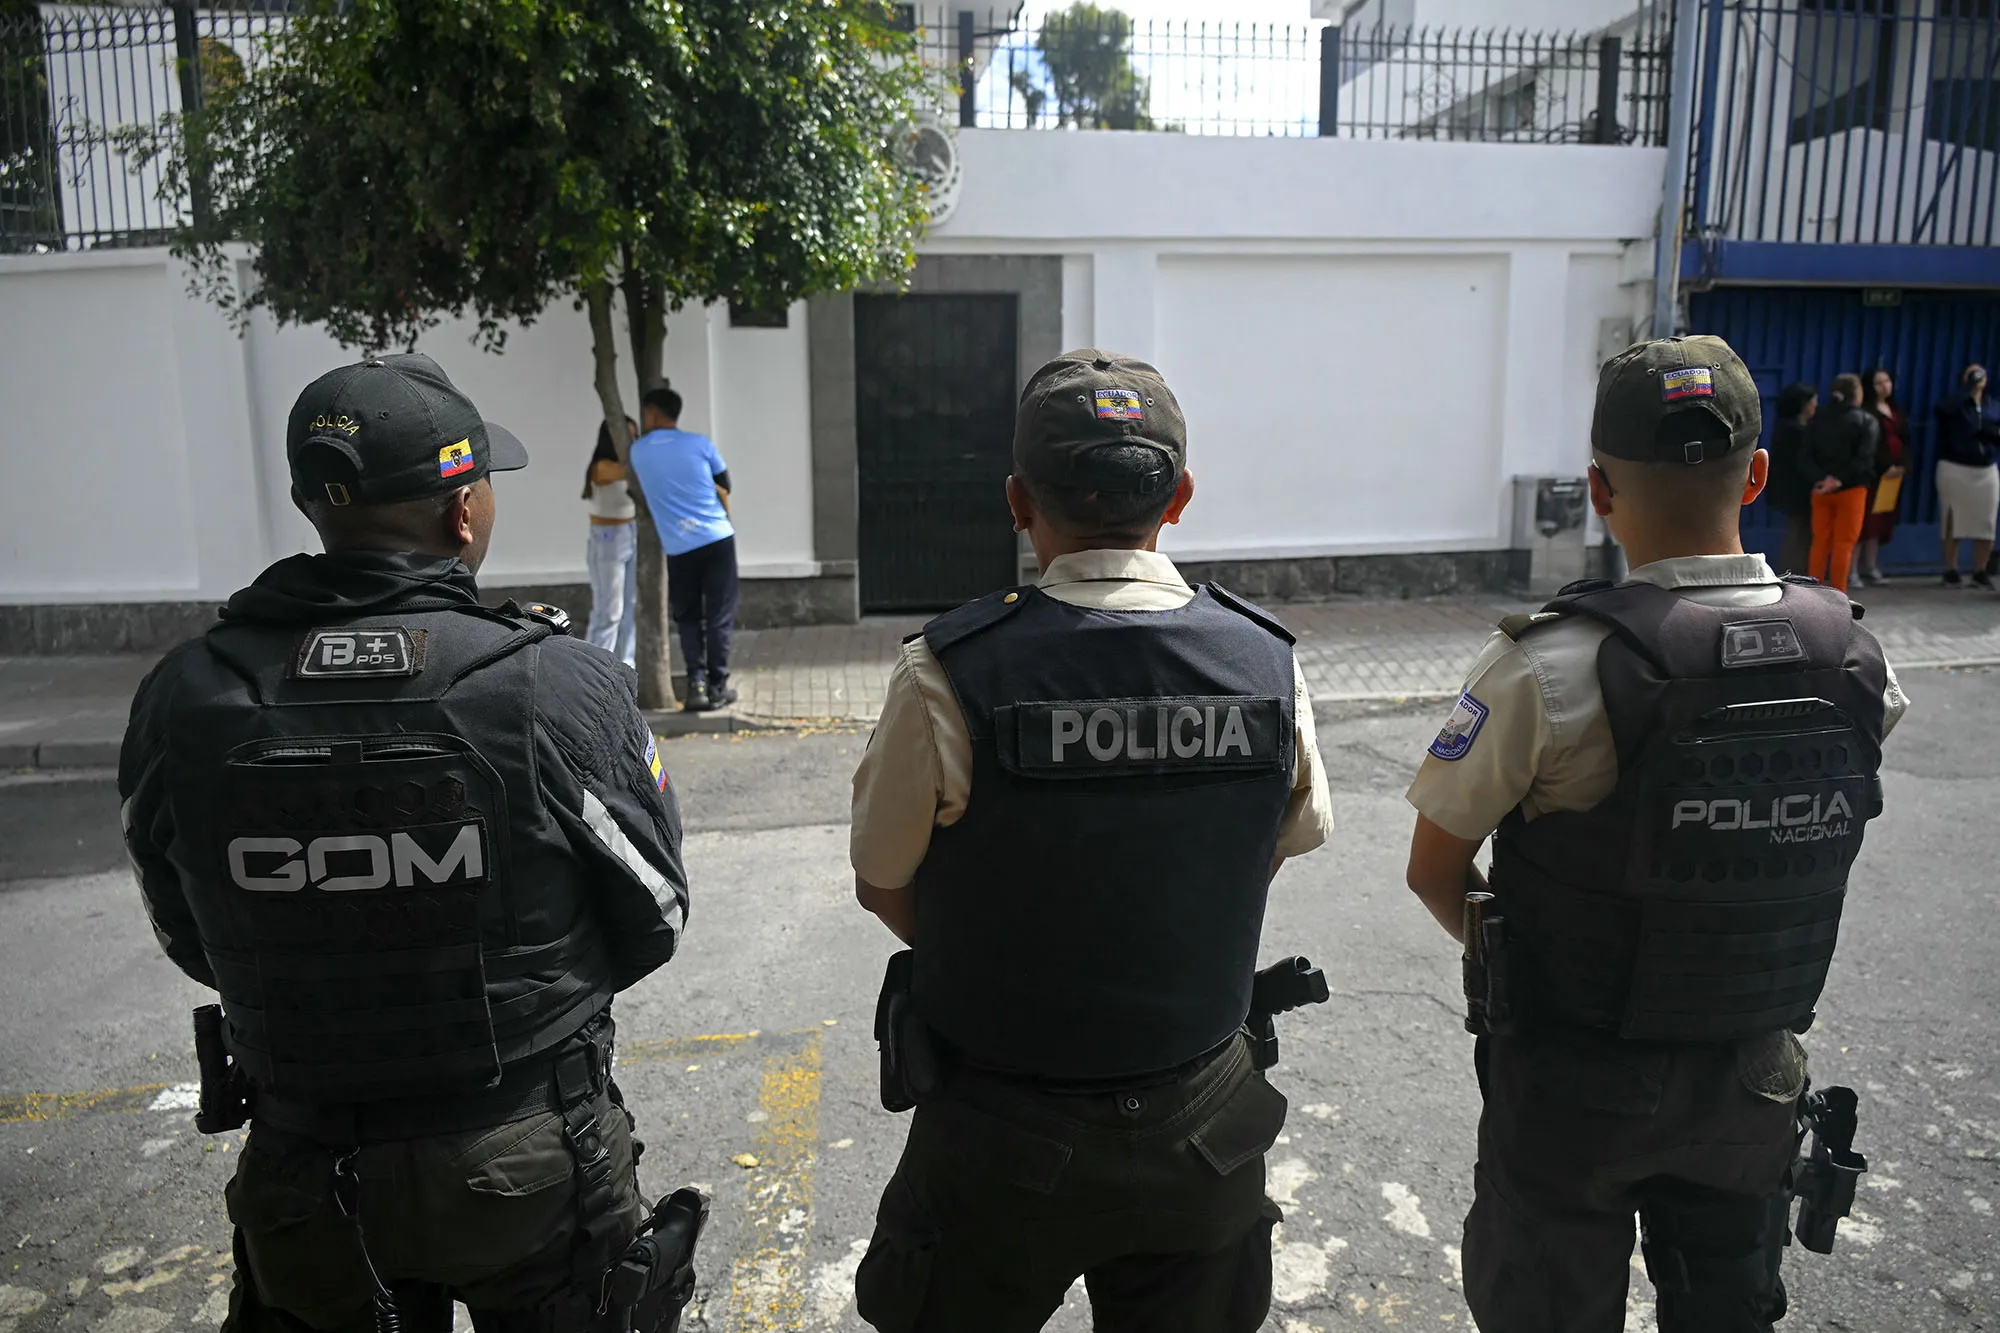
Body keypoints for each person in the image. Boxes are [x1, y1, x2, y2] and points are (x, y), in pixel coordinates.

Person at [118, 354, 697, 1333]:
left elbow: (186, 930)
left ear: (314, 503)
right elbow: (653, 914)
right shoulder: (552, 683)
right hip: (527, 1155)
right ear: (462, 511)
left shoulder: (186, 692)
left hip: (307, 1169)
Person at [1403, 335, 1907, 1332]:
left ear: (1596, 486)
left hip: (1571, 1083)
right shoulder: (1849, 656)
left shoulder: (1546, 670)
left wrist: (1543, 960)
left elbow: (1433, 872)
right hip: (1751, 1078)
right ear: (1758, 472)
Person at [847, 349, 1335, 1333]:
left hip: (997, 1136)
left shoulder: (948, 670)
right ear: (1180, 496)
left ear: (1018, 502)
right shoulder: (1264, 663)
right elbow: (1281, 839)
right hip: (1203, 1124)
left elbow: (883, 881)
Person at [627, 387, 738, 710]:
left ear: (653, 413)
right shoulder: (700, 443)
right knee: (719, 615)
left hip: (678, 548)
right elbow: (725, 483)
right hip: (718, 539)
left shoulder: (637, 452)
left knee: (688, 618)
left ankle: (697, 687)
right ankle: (718, 686)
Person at [1802, 372, 1878, 594]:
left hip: (1820, 490)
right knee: (1844, 544)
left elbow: (1804, 456)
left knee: (1819, 542)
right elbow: (1864, 458)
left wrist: (1822, 480)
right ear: (1856, 393)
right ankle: (1838, 594)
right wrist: (1838, 479)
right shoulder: (1866, 421)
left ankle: (1812, 591)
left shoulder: (1818, 419)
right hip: (1852, 489)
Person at [1934, 364, 2000, 589]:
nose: (1978, 377)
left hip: (1985, 470)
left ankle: (1979, 570)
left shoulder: (1992, 405)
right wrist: (1968, 390)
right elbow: (1942, 410)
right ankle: (1951, 570)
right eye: (1972, 373)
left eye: (1981, 373)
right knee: (1953, 520)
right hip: (1955, 467)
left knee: (1986, 522)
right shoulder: (1955, 403)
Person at [584, 416, 641, 666]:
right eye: (627, 435)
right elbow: (631, 471)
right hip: (608, 539)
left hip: (631, 532)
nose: (632, 441)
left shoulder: (628, 466)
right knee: (609, 612)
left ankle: (626, 665)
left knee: (629, 607)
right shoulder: (602, 467)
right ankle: (594, 669)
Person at [1853, 367, 1906, 587]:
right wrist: (1884, 466)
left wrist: (1902, 464)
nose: (1885, 386)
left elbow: (1905, 439)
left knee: (1879, 523)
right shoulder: (1866, 412)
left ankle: (1871, 566)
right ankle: (1852, 570)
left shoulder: (1895, 409)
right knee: (1862, 524)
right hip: (1873, 475)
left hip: (1893, 476)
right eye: (1879, 382)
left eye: (1887, 380)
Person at [1763, 381, 1817, 576]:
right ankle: (1791, 573)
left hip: (1790, 489)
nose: (1815, 406)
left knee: (1798, 531)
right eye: (1813, 402)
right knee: (1797, 532)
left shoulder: (1786, 426)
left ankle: (1794, 571)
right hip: (1795, 490)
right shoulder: (1795, 430)